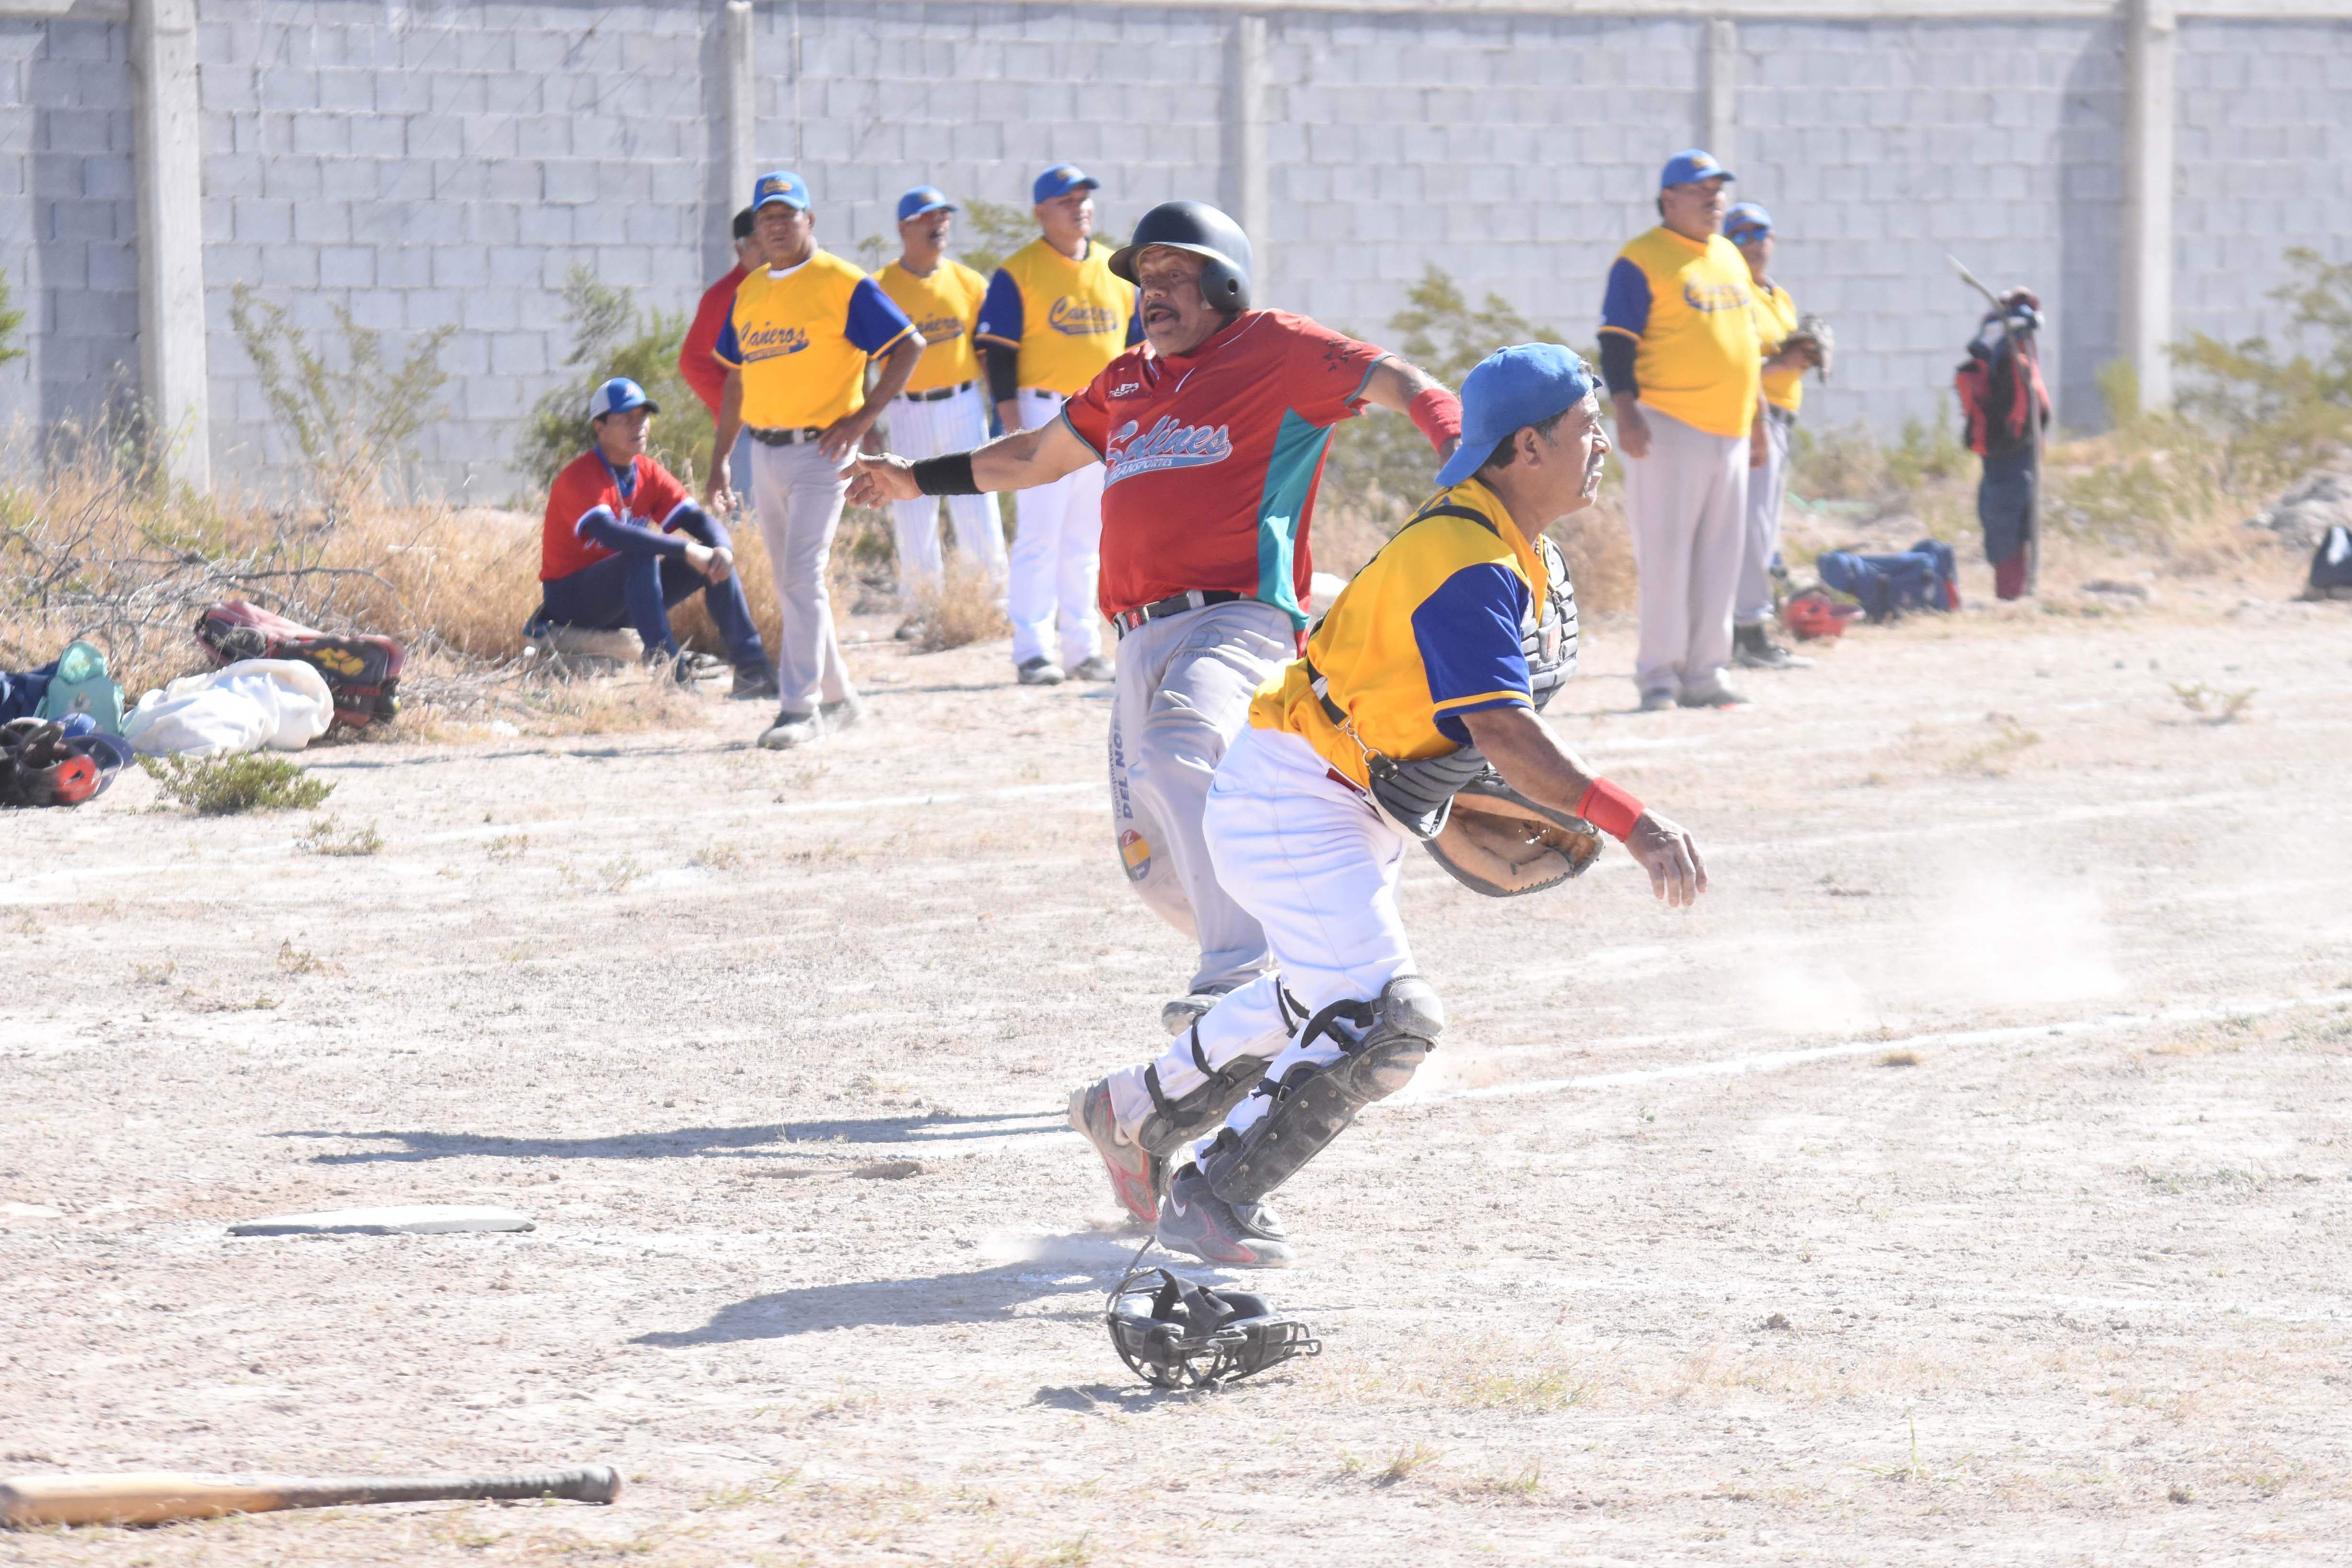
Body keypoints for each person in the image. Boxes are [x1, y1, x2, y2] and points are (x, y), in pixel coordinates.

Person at [1071, 345, 1707, 1266]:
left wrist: (1444, 798)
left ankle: (1131, 1109)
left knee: (1313, 997)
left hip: (1333, 795)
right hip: (1296, 797)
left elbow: (1437, 723)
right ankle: (1213, 1193)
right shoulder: (1467, 560)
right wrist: (1634, 822)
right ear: (1525, 447)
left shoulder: (1503, 543)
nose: (1600, 442)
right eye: (1583, 426)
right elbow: (1503, 734)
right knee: (1383, 1016)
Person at [849, 198, 1465, 1068]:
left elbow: (1393, 376)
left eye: (1174, 274)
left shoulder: (1275, 347)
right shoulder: (1127, 378)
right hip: (1135, 635)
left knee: (1180, 750)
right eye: (1144, 277)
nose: (1152, 291)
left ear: (1223, 281)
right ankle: (1306, 958)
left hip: (1238, 615)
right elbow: (1030, 458)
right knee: (1149, 861)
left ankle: (1237, 968)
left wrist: (1453, 438)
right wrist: (914, 478)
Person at [707, 171, 924, 750]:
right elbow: (733, 381)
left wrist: (860, 419)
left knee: (802, 576)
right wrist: (722, 457)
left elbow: (908, 346)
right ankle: (839, 696)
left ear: (809, 221)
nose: (776, 226)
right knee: (789, 582)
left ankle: (798, 710)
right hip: (764, 449)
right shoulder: (750, 291)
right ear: (756, 230)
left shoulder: (841, 283)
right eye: (766, 218)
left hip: (823, 452)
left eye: (787, 215)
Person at [1598, 149, 1761, 711]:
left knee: (1721, 555)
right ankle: (1660, 677)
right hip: (1666, 424)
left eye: (1718, 189)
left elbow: (1748, 348)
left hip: (1732, 429)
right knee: (1666, 555)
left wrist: (1759, 423)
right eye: (1701, 190)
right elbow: (1616, 340)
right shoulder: (1642, 258)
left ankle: (1706, 673)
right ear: (1669, 198)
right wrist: (1625, 411)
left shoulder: (1729, 256)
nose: (1714, 199)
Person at [974, 163, 1141, 686]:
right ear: (1041, 211)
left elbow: (1138, 348)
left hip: (1104, 410)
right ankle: (1031, 650)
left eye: (1084, 197)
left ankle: (1082, 648)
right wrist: (1010, 423)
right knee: (1040, 535)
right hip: (1041, 409)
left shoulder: (1116, 271)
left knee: (1086, 538)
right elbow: (996, 354)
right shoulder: (1019, 270)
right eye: (1066, 200)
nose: (1079, 206)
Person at [537, 378, 774, 695]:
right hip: (571, 599)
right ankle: (668, 669)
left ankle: (752, 668)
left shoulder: (647, 471)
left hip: (627, 594)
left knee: (712, 559)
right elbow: (610, 533)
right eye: (626, 419)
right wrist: (687, 550)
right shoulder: (580, 476)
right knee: (640, 552)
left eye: (643, 417)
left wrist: (722, 549)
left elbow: (696, 519)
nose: (639, 426)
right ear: (600, 427)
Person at [873, 185, 1009, 627]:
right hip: (906, 407)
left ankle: (991, 603)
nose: (939, 224)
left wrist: (998, 409)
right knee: (910, 504)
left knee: (977, 499)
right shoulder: (879, 287)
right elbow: (859, 359)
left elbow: (987, 352)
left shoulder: (969, 283)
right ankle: (921, 609)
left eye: (943, 217)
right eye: (927, 218)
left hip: (962, 403)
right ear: (903, 228)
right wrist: (866, 423)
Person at [1723, 201, 1819, 672]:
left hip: (1781, 419)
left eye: (1761, 233)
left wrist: (1802, 352)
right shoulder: (1733, 292)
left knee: (1762, 529)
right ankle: (1747, 633)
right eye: (1740, 235)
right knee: (1751, 531)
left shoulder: (1776, 296)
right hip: (1749, 419)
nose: (1753, 243)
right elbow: (1733, 366)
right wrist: (1783, 364)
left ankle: (1744, 630)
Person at [1956, 288, 2049, 601]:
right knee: (2007, 522)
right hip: (2008, 448)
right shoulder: (2006, 345)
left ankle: (2015, 593)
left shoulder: (2011, 345)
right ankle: (2012, 594)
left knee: (2012, 522)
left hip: (2012, 447)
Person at [679, 206, 763, 494]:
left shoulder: (776, 286)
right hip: (744, 432)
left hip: (784, 426)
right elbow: (693, 362)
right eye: (757, 240)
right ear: (740, 248)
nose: (767, 245)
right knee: (750, 516)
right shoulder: (726, 295)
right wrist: (735, 407)